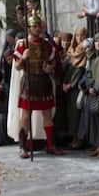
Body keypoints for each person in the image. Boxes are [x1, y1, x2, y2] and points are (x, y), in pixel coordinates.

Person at [9, 10, 63, 159]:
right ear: (29, 28)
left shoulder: (47, 44)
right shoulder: (22, 44)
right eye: (34, 26)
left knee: (47, 114)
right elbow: (18, 67)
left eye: (39, 26)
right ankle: (22, 146)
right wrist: (23, 58)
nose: (37, 29)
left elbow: (52, 62)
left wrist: (50, 67)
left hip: (43, 81)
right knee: (25, 114)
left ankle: (51, 145)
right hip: (29, 80)